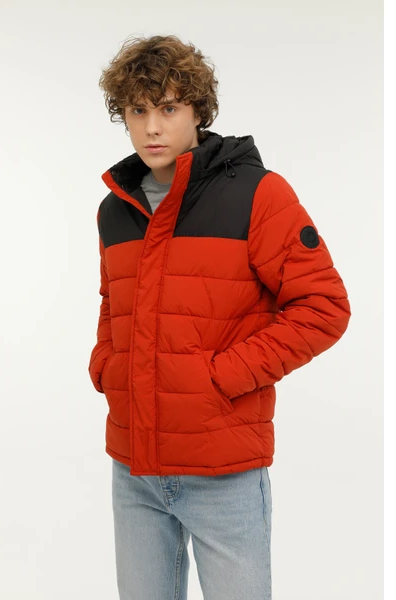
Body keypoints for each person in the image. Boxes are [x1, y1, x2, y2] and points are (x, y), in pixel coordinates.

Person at [88, 34, 351, 600]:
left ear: (198, 111)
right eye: (137, 110)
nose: (152, 127)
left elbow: (324, 306)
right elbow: (114, 302)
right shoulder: (115, 209)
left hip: (224, 470)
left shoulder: (258, 194)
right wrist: (106, 366)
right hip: (134, 469)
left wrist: (221, 378)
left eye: (168, 108)